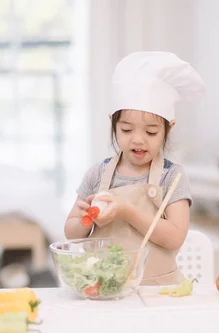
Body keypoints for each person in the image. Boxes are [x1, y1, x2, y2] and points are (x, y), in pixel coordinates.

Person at [64, 51, 206, 285]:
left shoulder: (173, 176)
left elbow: (175, 238)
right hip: (104, 289)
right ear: (113, 124)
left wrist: (127, 211)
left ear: (168, 128)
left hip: (158, 291)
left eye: (151, 132)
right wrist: (83, 219)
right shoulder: (98, 174)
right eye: (127, 130)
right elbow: (71, 233)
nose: (138, 140)